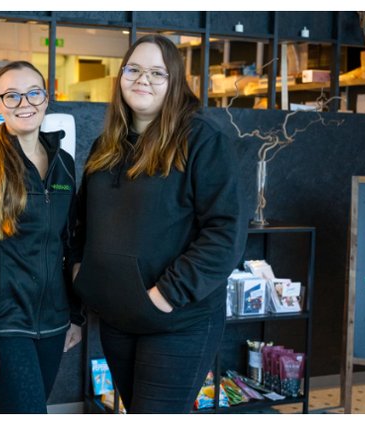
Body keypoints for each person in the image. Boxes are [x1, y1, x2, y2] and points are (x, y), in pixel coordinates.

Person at [72, 35, 248, 413]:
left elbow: (225, 234)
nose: (143, 79)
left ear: (175, 83)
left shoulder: (203, 141)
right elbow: (84, 221)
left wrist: (165, 295)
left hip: (178, 320)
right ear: (120, 77)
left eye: (157, 73)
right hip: (119, 316)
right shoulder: (106, 145)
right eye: (133, 69)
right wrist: (80, 275)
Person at [0, 61, 83, 413]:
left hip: (54, 323)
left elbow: (70, 243)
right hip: (5, 326)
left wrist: (75, 315)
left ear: (46, 99)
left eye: (33, 93)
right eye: (11, 95)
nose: (24, 103)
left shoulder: (64, 164)